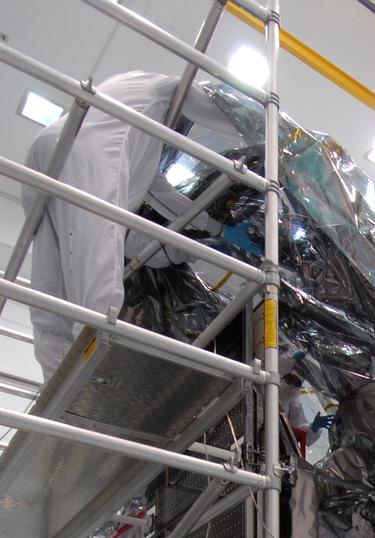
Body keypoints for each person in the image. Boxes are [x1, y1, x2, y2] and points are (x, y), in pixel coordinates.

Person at [22, 71, 239, 381]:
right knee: (97, 268)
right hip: (87, 155)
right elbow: (209, 103)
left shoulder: (138, 129)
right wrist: (268, 131)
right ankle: (91, 374)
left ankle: (54, 379)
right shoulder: (163, 87)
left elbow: (160, 201)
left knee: (51, 280)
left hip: (49, 149)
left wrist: (213, 232)